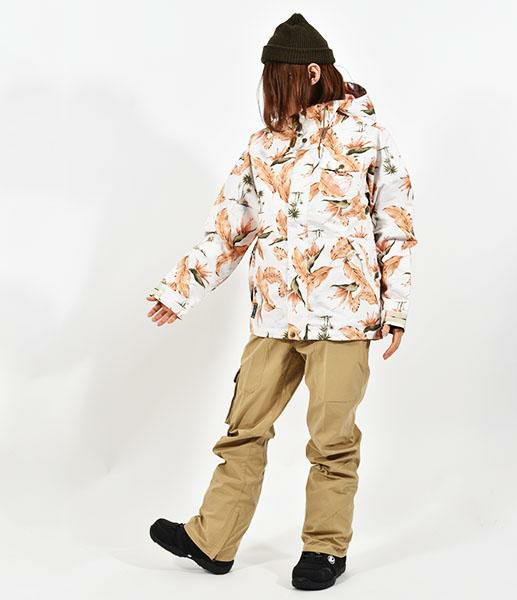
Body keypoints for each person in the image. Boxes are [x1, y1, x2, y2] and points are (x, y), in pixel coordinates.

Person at [146, 12, 417, 591]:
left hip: (343, 320)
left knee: (332, 440)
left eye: (279, 80)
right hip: (274, 317)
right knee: (243, 428)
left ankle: (324, 549)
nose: (271, 94)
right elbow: (229, 228)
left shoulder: (368, 137)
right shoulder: (262, 147)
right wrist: (180, 288)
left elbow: (393, 226)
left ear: (312, 73)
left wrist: (395, 308)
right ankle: (213, 540)